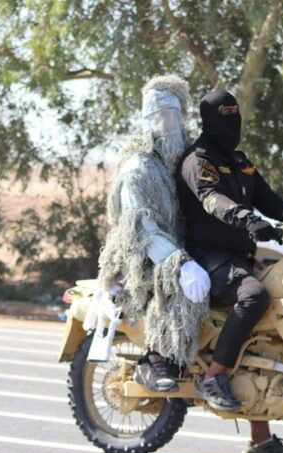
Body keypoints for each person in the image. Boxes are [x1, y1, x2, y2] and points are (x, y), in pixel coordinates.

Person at [177, 90, 283, 453]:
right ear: (210, 121)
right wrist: (247, 219)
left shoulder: (239, 161)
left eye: (236, 115)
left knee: (270, 323)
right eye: (226, 116)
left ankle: (260, 441)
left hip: (237, 256)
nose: (232, 124)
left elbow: (271, 201)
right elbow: (212, 200)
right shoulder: (199, 161)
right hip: (205, 257)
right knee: (254, 296)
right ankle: (213, 376)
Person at [86, 75, 211, 391]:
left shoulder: (181, 160)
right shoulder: (138, 167)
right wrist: (180, 264)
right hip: (141, 257)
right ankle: (155, 359)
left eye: (174, 115)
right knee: (180, 289)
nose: (168, 124)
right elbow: (141, 228)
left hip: (181, 246)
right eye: (161, 115)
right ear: (147, 118)